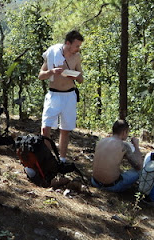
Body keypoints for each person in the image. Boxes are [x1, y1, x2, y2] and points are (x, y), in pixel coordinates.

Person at [38, 30, 84, 163]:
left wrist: (71, 74)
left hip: (69, 95)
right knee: (45, 127)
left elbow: (81, 79)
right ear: (68, 43)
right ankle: (46, 157)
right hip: (53, 95)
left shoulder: (76, 57)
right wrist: (51, 71)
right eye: (76, 45)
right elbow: (41, 75)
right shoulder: (52, 54)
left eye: (79, 46)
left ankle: (62, 159)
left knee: (65, 129)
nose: (78, 49)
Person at [91, 120, 143, 192]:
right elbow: (139, 166)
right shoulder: (124, 145)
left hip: (94, 182)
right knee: (140, 171)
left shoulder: (102, 141)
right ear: (124, 132)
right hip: (112, 186)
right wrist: (136, 146)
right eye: (127, 132)